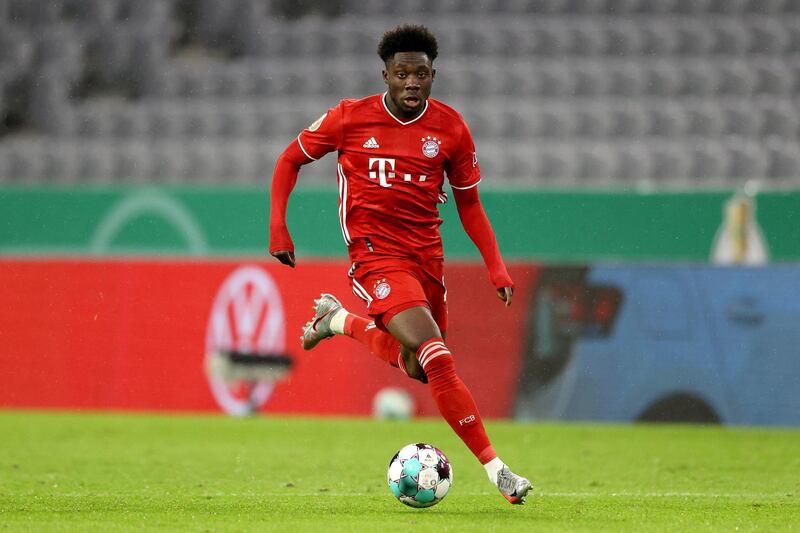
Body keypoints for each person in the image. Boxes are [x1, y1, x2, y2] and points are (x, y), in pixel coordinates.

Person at [269, 24, 532, 505]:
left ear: (434, 76)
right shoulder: (349, 118)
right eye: (402, 73)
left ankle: (338, 320)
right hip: (375, 256)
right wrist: (278, 228)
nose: (412, 81)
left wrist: (496, 266)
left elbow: (470, 205)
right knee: (436, 354)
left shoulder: (451, 128)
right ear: (386, 75)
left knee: (419, 368)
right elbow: (289, 161)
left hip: (426, 258)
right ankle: (499, 471)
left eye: (422, 74)